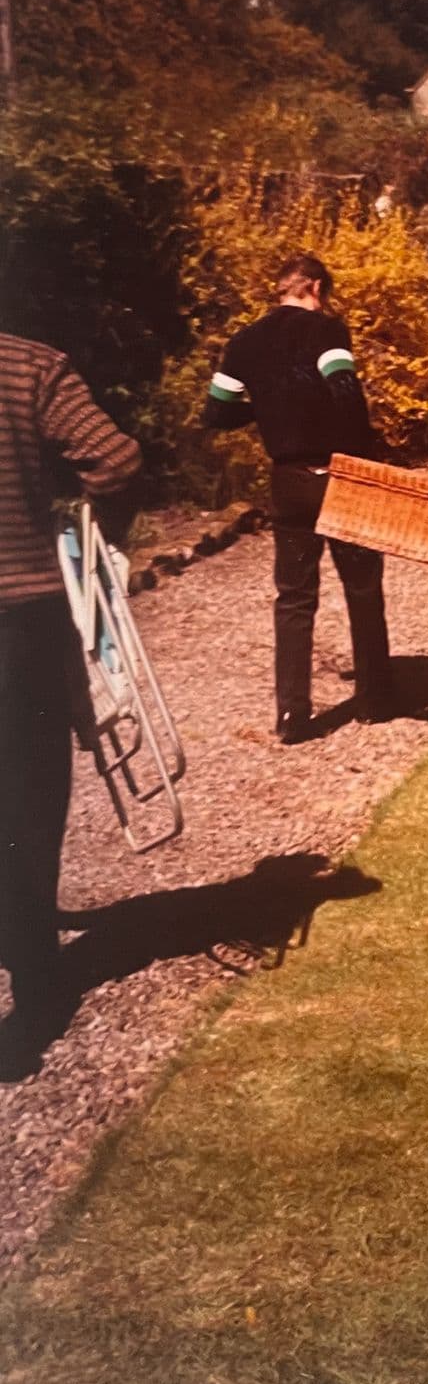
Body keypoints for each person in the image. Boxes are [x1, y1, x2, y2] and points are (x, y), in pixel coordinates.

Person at [0, 334, 142, 1079]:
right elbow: (115, 460)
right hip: (20, 617)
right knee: (27, 797)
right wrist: (83, 525)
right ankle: (35, 981)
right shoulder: (30, 364)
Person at [205, 253, 392, 744]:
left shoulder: (244, 342)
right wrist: (364, 456)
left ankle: (292, 714)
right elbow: (346, 395)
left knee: (293, 595)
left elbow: (217, 413)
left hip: (287, 480)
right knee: (362, 584)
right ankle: (374, 699)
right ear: (313, 287)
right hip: (339, 474)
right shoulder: (326, 331)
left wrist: (269, 406)